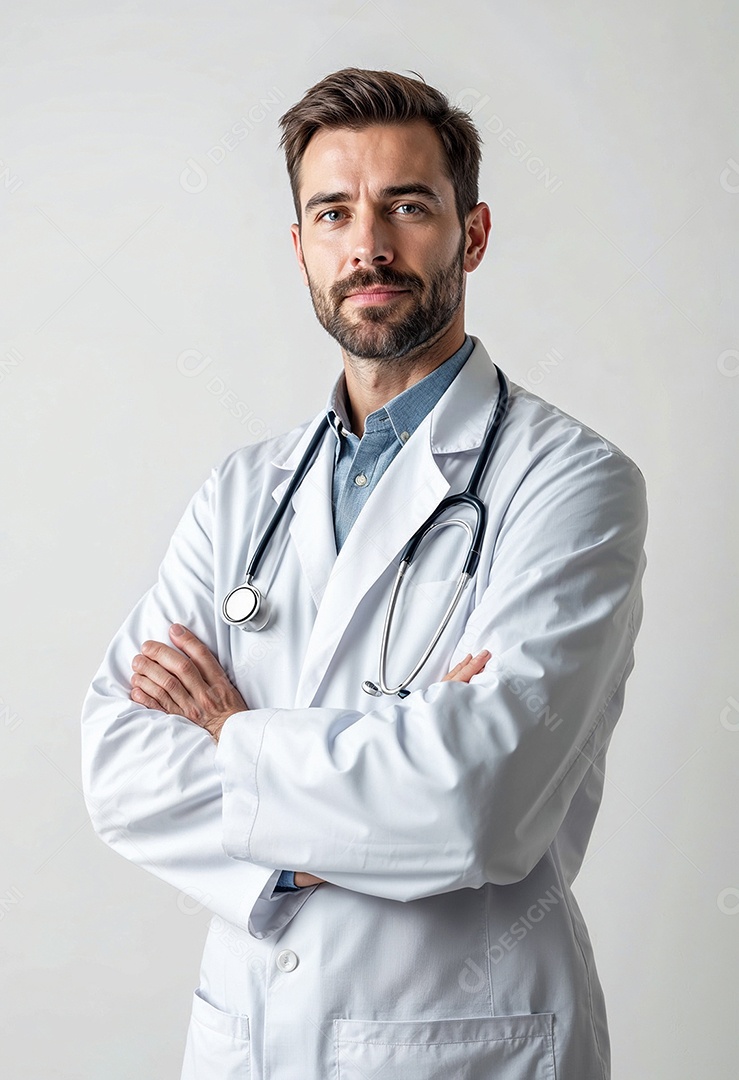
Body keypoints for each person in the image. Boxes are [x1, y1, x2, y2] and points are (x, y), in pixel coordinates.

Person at [81, 67, 648, 1080]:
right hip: (247, 1038)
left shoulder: (572, 483)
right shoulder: (241, 492)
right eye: (333, 212)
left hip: (464, 1044)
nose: (369, 246)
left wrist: (230, 731)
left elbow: (479, 802)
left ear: (470, 235)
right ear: (300, 247)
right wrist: (379, 782)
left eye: (408, 207)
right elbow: (120, 765)